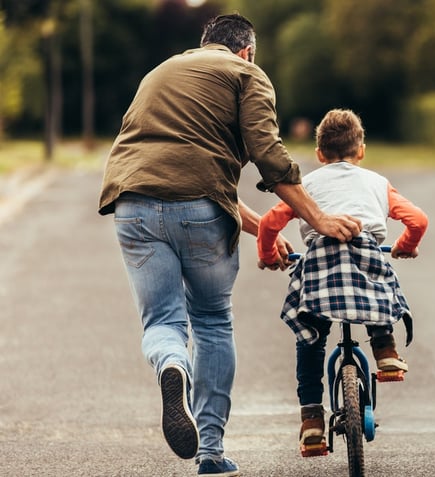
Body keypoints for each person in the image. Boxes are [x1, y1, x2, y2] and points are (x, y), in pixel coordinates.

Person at [97, 14, 362, 476]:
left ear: (204, 45)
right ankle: (210, 452)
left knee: (162, 321)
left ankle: (172, 366)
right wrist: (318, 218)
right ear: (248, 51)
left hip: (132, 204)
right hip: (200, 210)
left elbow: (191, 174)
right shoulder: (246, 74)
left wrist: (266, 231)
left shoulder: (160, 73)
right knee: (212, 320)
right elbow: (267, 154)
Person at [256, 109, 428, 456]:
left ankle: (312, 423)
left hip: (320, 266)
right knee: (379, 283)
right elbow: (418, 220)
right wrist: (405, 246)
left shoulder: (305, 188)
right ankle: (386, 351)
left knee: (311, 339)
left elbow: (269, 223)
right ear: (360, 150)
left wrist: (268, 253)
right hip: (365, 258)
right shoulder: (378, 183)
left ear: (320, 154)